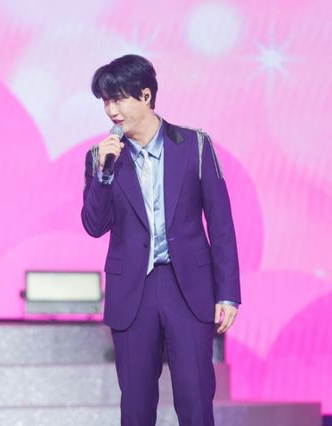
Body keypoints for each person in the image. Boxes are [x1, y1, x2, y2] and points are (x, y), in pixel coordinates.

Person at [81, 55, 241, 426]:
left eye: (118, 99)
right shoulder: (101, 156)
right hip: (132, 290)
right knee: (136, 406)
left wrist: (228, 293)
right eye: (105, 101)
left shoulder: (195, 145)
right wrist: (104, 175)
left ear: (146, 95)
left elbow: (221, 223)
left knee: (195, 399)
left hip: (188, 286)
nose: (111, 111)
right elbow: (94, 225)